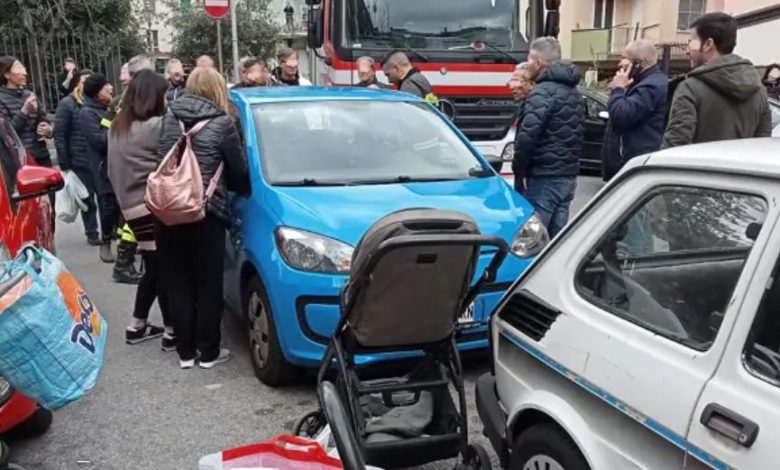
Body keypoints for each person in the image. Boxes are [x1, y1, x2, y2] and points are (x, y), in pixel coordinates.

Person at [156, 66, 250, 369]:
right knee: (209, 282)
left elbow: (161, 159)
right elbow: (238, 173)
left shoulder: (169, 117)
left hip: (169, 209)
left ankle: (185, 353)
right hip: (205, 211)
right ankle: (208, 352)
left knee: (178, 280)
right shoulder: (223, 123)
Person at [107, 69, 175, 350]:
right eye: (164, 93)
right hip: (151, 207)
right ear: (153, 97)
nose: (168, 98)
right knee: (165, 271)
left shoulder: (117, 127)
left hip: (130, 207)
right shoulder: (156, 126)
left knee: (154, 267)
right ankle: (172, 332)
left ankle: (137, 325)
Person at [663, 13, 772, 148]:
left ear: (708, 44)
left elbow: (675, 146)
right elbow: (761, 145)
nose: (687, 50)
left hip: (697, 168)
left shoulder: (690, 88)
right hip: (738, 169)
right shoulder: (759, 90)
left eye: (690, 42)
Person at [513, 37, 585, 238]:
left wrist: (519, 172)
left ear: (537, 62)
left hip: (544, 177)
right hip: (568, 176)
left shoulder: (542, 93)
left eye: (528, 60)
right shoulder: (575, 93)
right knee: (555, 242)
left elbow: (526, 139)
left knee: (532, 240)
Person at [102, 55, 155, 284]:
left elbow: (106, 132)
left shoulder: (120, 101)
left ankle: (125, 263)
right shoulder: (138, 101)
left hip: (125, 166)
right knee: (138, 216)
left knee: (130, 218)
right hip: (138, 166)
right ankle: (124, 264)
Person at [602, 39, 668, 181]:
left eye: (624, 58)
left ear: (639, 63)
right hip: (631, 165)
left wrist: (618, 89)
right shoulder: (641, 83)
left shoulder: (650, 86)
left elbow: (621, 116)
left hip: (636, 166)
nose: (620, 63)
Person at [54, 69, 102, 246]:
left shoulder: (98, 103)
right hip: (79, 159)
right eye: (84, 82)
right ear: (77, 84)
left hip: (97, 158)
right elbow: (60, 133)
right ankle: (92, 232)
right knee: (86, 197)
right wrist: (64, 162)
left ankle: (109, 231)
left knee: (104, 197)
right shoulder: (67, 104)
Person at [79, 74, 121, 264]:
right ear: (97, 93)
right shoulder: (87, 113)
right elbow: (99, 141)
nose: (111, 88)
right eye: (106, 87)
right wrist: (115, 121)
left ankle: (125, 243)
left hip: (121, 164)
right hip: (103, 167)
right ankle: (105, 242)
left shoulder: (109, 108)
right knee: (108, 206)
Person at [0, 56, 53, 167]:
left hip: (41, 155)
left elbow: (43, 117)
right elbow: (6, 133)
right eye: (18, 67)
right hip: (20, 159)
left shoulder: (29, 94)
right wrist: (24, 111)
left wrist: (48, 129)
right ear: (7, 74)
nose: (24, 72)